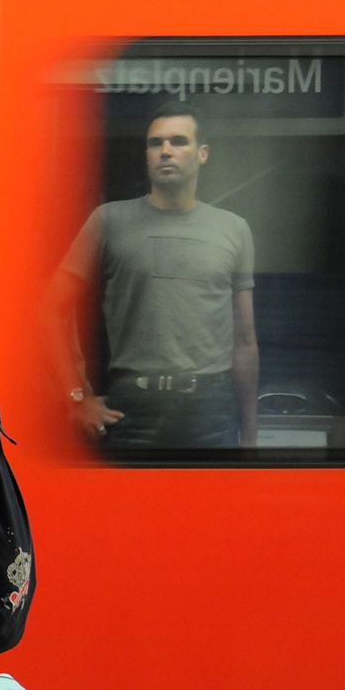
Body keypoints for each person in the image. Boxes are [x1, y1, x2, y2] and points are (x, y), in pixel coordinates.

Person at [46, 100, 259, 453]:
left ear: (202, 153)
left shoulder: (233, 230)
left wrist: (250, 436)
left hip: (210, 409)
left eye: (179, 141)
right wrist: (77, 397)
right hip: (132, 406)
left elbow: (245, 339)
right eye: (156, 143)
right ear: (146, 154)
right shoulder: (109, 221)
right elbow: (51, 309)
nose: (166, 151)